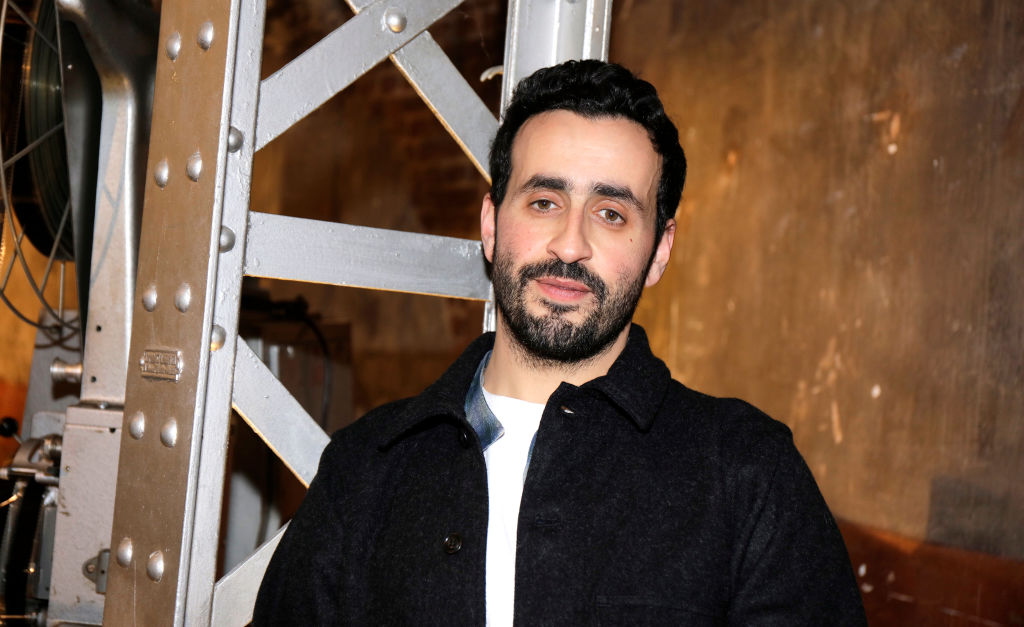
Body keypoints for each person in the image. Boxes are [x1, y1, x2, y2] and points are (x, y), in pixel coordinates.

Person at [253, 60, 866, 625]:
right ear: (491, 225)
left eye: (611, 213)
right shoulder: (365, 469)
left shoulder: (749, 473)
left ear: (660, 251)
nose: (569, 245)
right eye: (544, 202)